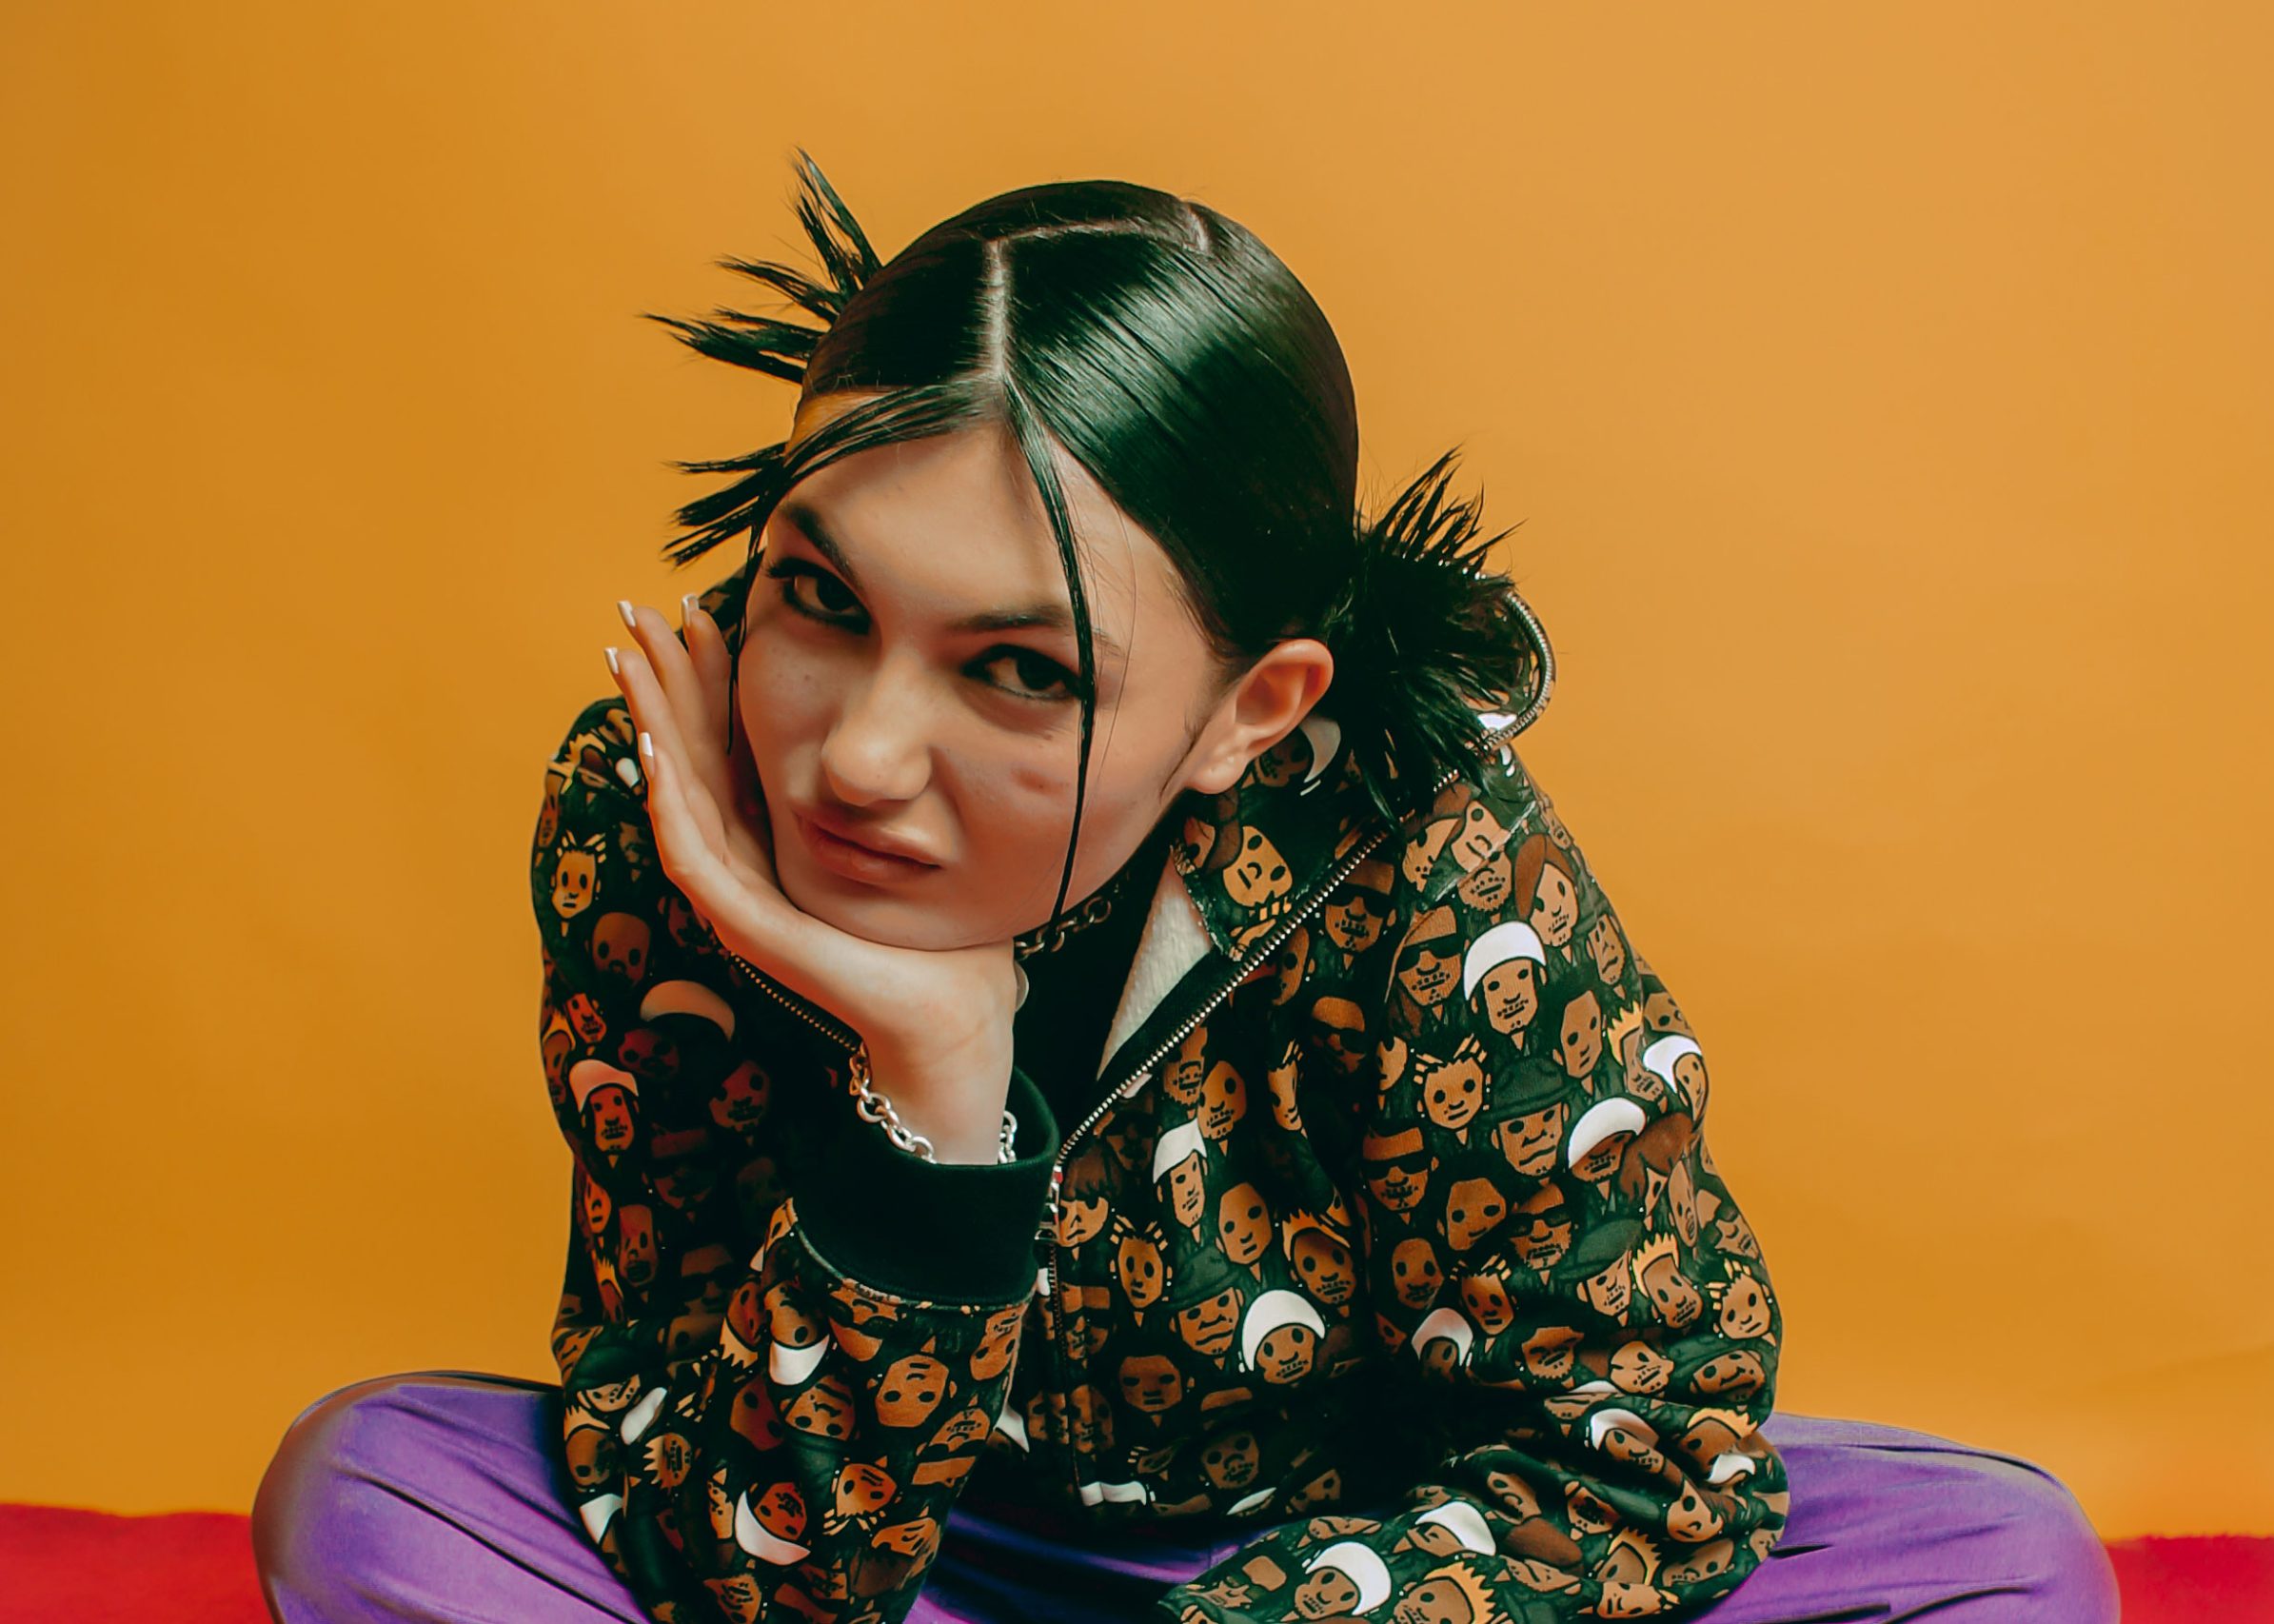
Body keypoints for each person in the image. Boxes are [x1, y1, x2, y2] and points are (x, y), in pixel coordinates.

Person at [251, 153, 2118, 1624]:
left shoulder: (1422, 854)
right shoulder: (657, 808)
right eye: (819, 598)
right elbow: (720, 1538)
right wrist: (933, 1102)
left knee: (1996, 1565)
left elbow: (1636, 1453)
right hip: (896, 1550)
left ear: (1251, 709)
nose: (857, 754)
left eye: (1018, 668)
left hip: (1360, 1561)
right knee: (373, 1487)